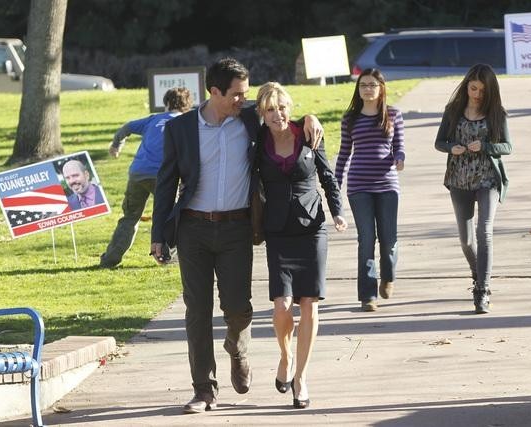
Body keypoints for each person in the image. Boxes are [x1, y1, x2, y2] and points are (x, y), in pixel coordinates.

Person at [150, 58, 323, 414]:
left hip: (236, 228)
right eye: (237, 94)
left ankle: (238, 348)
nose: (244, 101)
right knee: (197, 311)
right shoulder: (181, 130)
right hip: (193, 230)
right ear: (214, 92)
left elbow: (281, 116)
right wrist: (158, 235)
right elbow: (165, 184)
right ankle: (204, 389)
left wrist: (308, 119)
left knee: (238, 309)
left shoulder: (249, 121)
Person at [255, 82, 347, 409]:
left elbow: (327, 177)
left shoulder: (309, 134)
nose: (278, 114)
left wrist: (337, 212)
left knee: (309, 303)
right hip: (278, 230)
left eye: (282, 107)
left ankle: (301, 378)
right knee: (282, 305)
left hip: (312, 227)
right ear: (261, 113)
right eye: (270, 109)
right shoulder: (258, 141)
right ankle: (286, 356)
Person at [434, 63, 511, 314]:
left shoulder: (496, 113)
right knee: (466, 241)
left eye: (482, 90)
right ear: (467, 85)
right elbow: (439, 142)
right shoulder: (453, 111)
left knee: (484, 231)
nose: (477, 94)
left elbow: (507, 147)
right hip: (459, 179)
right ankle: (478, 272)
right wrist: (451, 147)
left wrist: (487, 146)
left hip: (487, 178)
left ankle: (482, 290)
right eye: (473, 88)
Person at [334, 68, 405, 312]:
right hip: (359, 186)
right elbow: (344, 153)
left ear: (381, 88)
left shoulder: (393, 114)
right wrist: (336, 185)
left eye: (372, 85)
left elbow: (399, 146)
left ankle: (388, 275)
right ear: (358, 89)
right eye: (363, 85)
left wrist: (400, 158)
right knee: (366, 239)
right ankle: (368, 295)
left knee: (389, 240)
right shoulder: (350, 118)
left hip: (387, 184)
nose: (367, 89)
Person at [99, 87, 193, 268]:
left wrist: (116, 145)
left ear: (166, 104)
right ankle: (168, 257)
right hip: (163, 176)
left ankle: (110, 259)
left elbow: (127, 127)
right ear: (188, 106)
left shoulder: (153, 119)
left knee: (130, 217)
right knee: (169, 217)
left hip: (138, 173)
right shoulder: (184, 122)